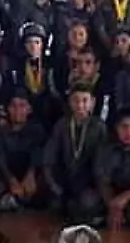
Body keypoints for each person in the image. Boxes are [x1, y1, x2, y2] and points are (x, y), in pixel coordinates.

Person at [0, 90, 50, 212]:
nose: (17, 110)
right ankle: (14, 200)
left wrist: (31, 174)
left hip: (29, 178)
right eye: (13, 106)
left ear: (29, 109)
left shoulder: (37, 129)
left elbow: (39, 153)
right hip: (5, 178)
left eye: (22, 106)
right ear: (8, 109)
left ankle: (16, 201)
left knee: (47, 180)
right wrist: (11, 180)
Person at [43, 84, 107, 218]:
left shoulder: (99, 126)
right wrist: (53, 185)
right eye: (76, 100)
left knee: (87, 204)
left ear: (92, 102)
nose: (80, 105)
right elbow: (49, 157)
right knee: (54, 205)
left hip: (88, 183)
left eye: (85, 100)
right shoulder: (61, 125)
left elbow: (102, 164)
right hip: (65, 179)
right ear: (70, 102)